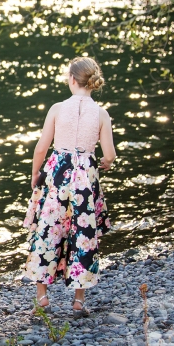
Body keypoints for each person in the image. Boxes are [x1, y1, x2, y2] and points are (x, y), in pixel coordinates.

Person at [23, 56, 116, 318]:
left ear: (72, 80)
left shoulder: (57, 108)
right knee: (83, 235)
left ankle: (42, 297)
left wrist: (35, 175)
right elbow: (109, 155)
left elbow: (41, 148)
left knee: (49, 231)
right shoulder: (101, 114)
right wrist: (104, 164)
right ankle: (78, 301)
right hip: (85, 178)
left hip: (58, 175)